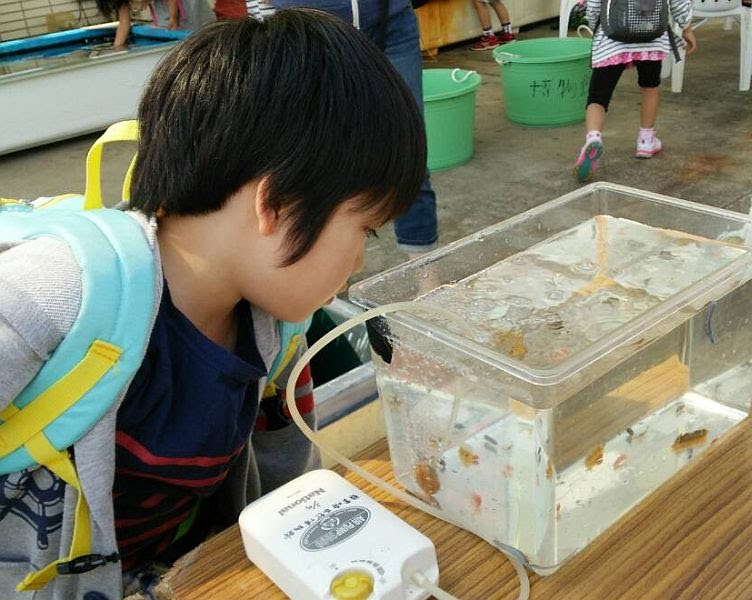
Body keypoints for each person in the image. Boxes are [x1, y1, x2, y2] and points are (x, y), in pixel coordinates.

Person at [0, 9, 426, 599]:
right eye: (365, 230)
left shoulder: (279, 336)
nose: (358, 262)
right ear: (276, 205)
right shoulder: (52, 294)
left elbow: (287, 493)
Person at [267, 0, 439, 255]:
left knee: (410, 152)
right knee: (321, 163)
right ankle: (332, 275)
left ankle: (425, 269)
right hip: (310, 31)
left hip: (391, 20)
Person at [573, 0, 696, 182]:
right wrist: (686, 27)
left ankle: (593, 138)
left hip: (611, 41)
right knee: (650, 86)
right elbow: (678, 2)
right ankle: (646, 141)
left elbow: (593, 6)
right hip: (651, 39)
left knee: (597, 98)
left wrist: (597, 24)